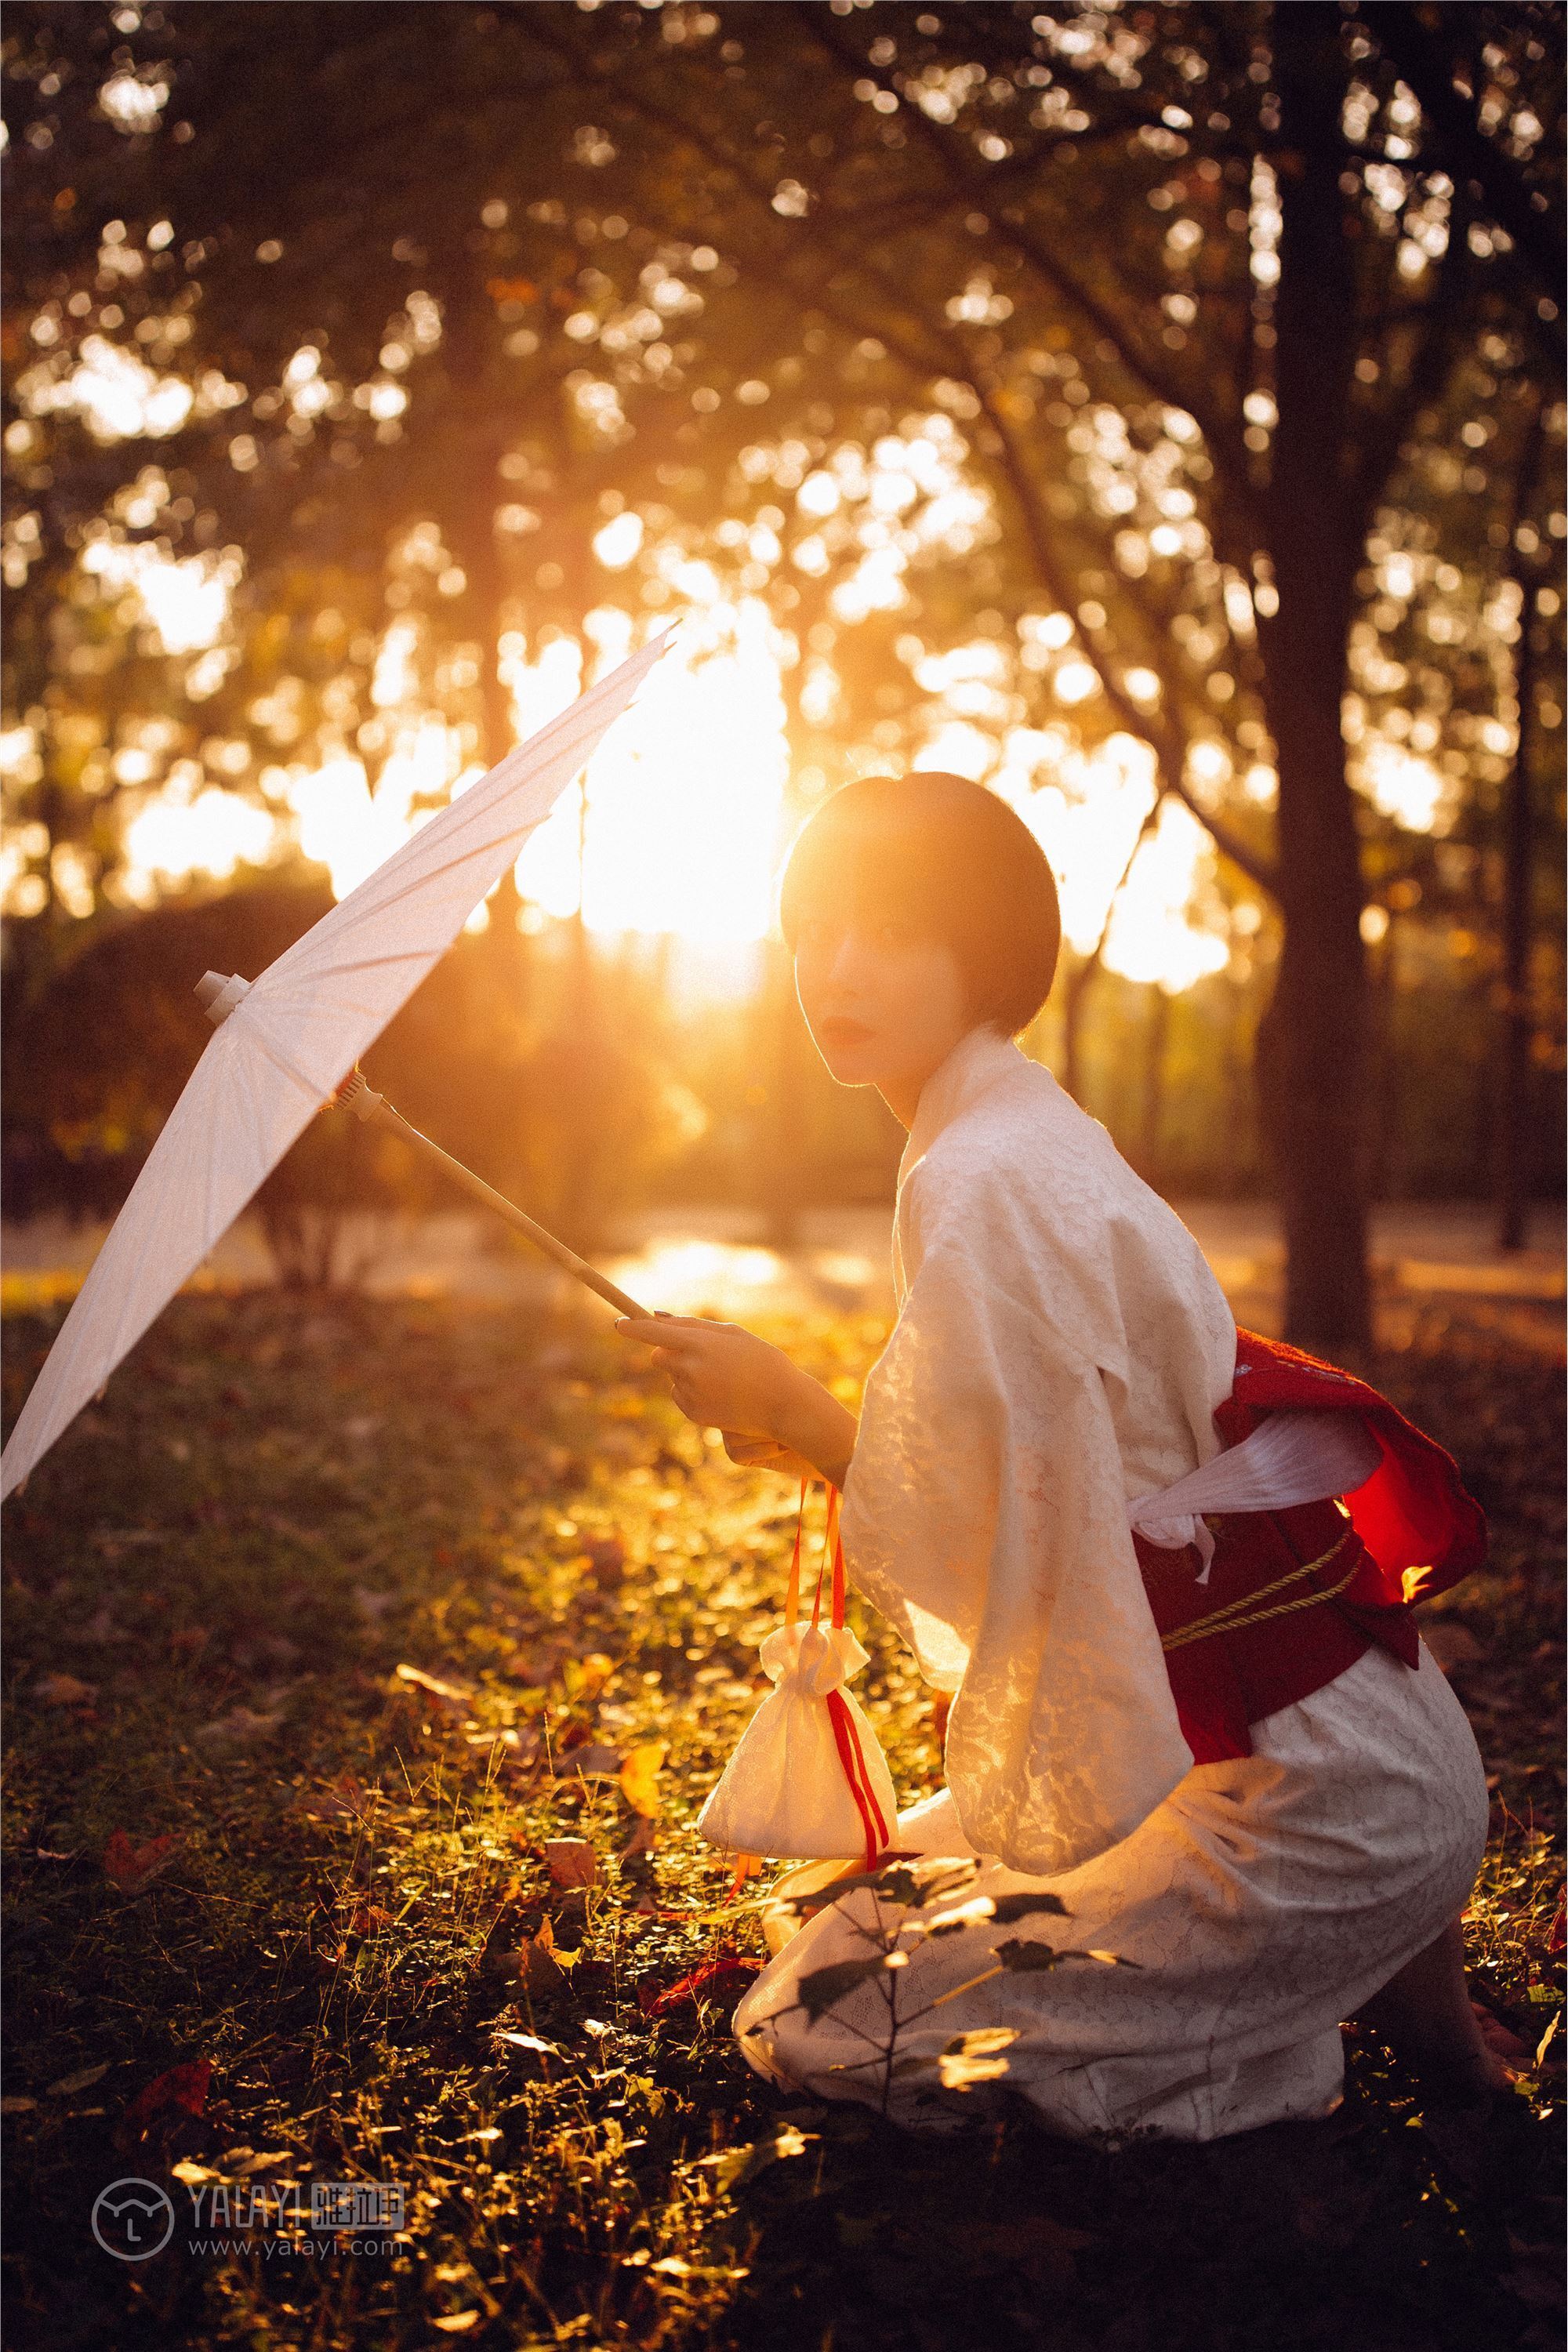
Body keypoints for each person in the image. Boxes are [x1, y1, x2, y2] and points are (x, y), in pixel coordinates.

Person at [617, 770, 1506, 2143]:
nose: (836, 969)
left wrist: (797, 1411)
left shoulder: (986, 1175)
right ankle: (1327, 1978)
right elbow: (1066, 1501)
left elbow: (1035, 1555)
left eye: (892, 929)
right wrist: (809, 1428)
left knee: (829, 2011)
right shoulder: (1016, 1128)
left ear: (987, 949)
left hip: (1313, 1816)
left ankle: (1269, 2041)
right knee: (855, 1893)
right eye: (815, 929)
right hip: (1374, 1759)